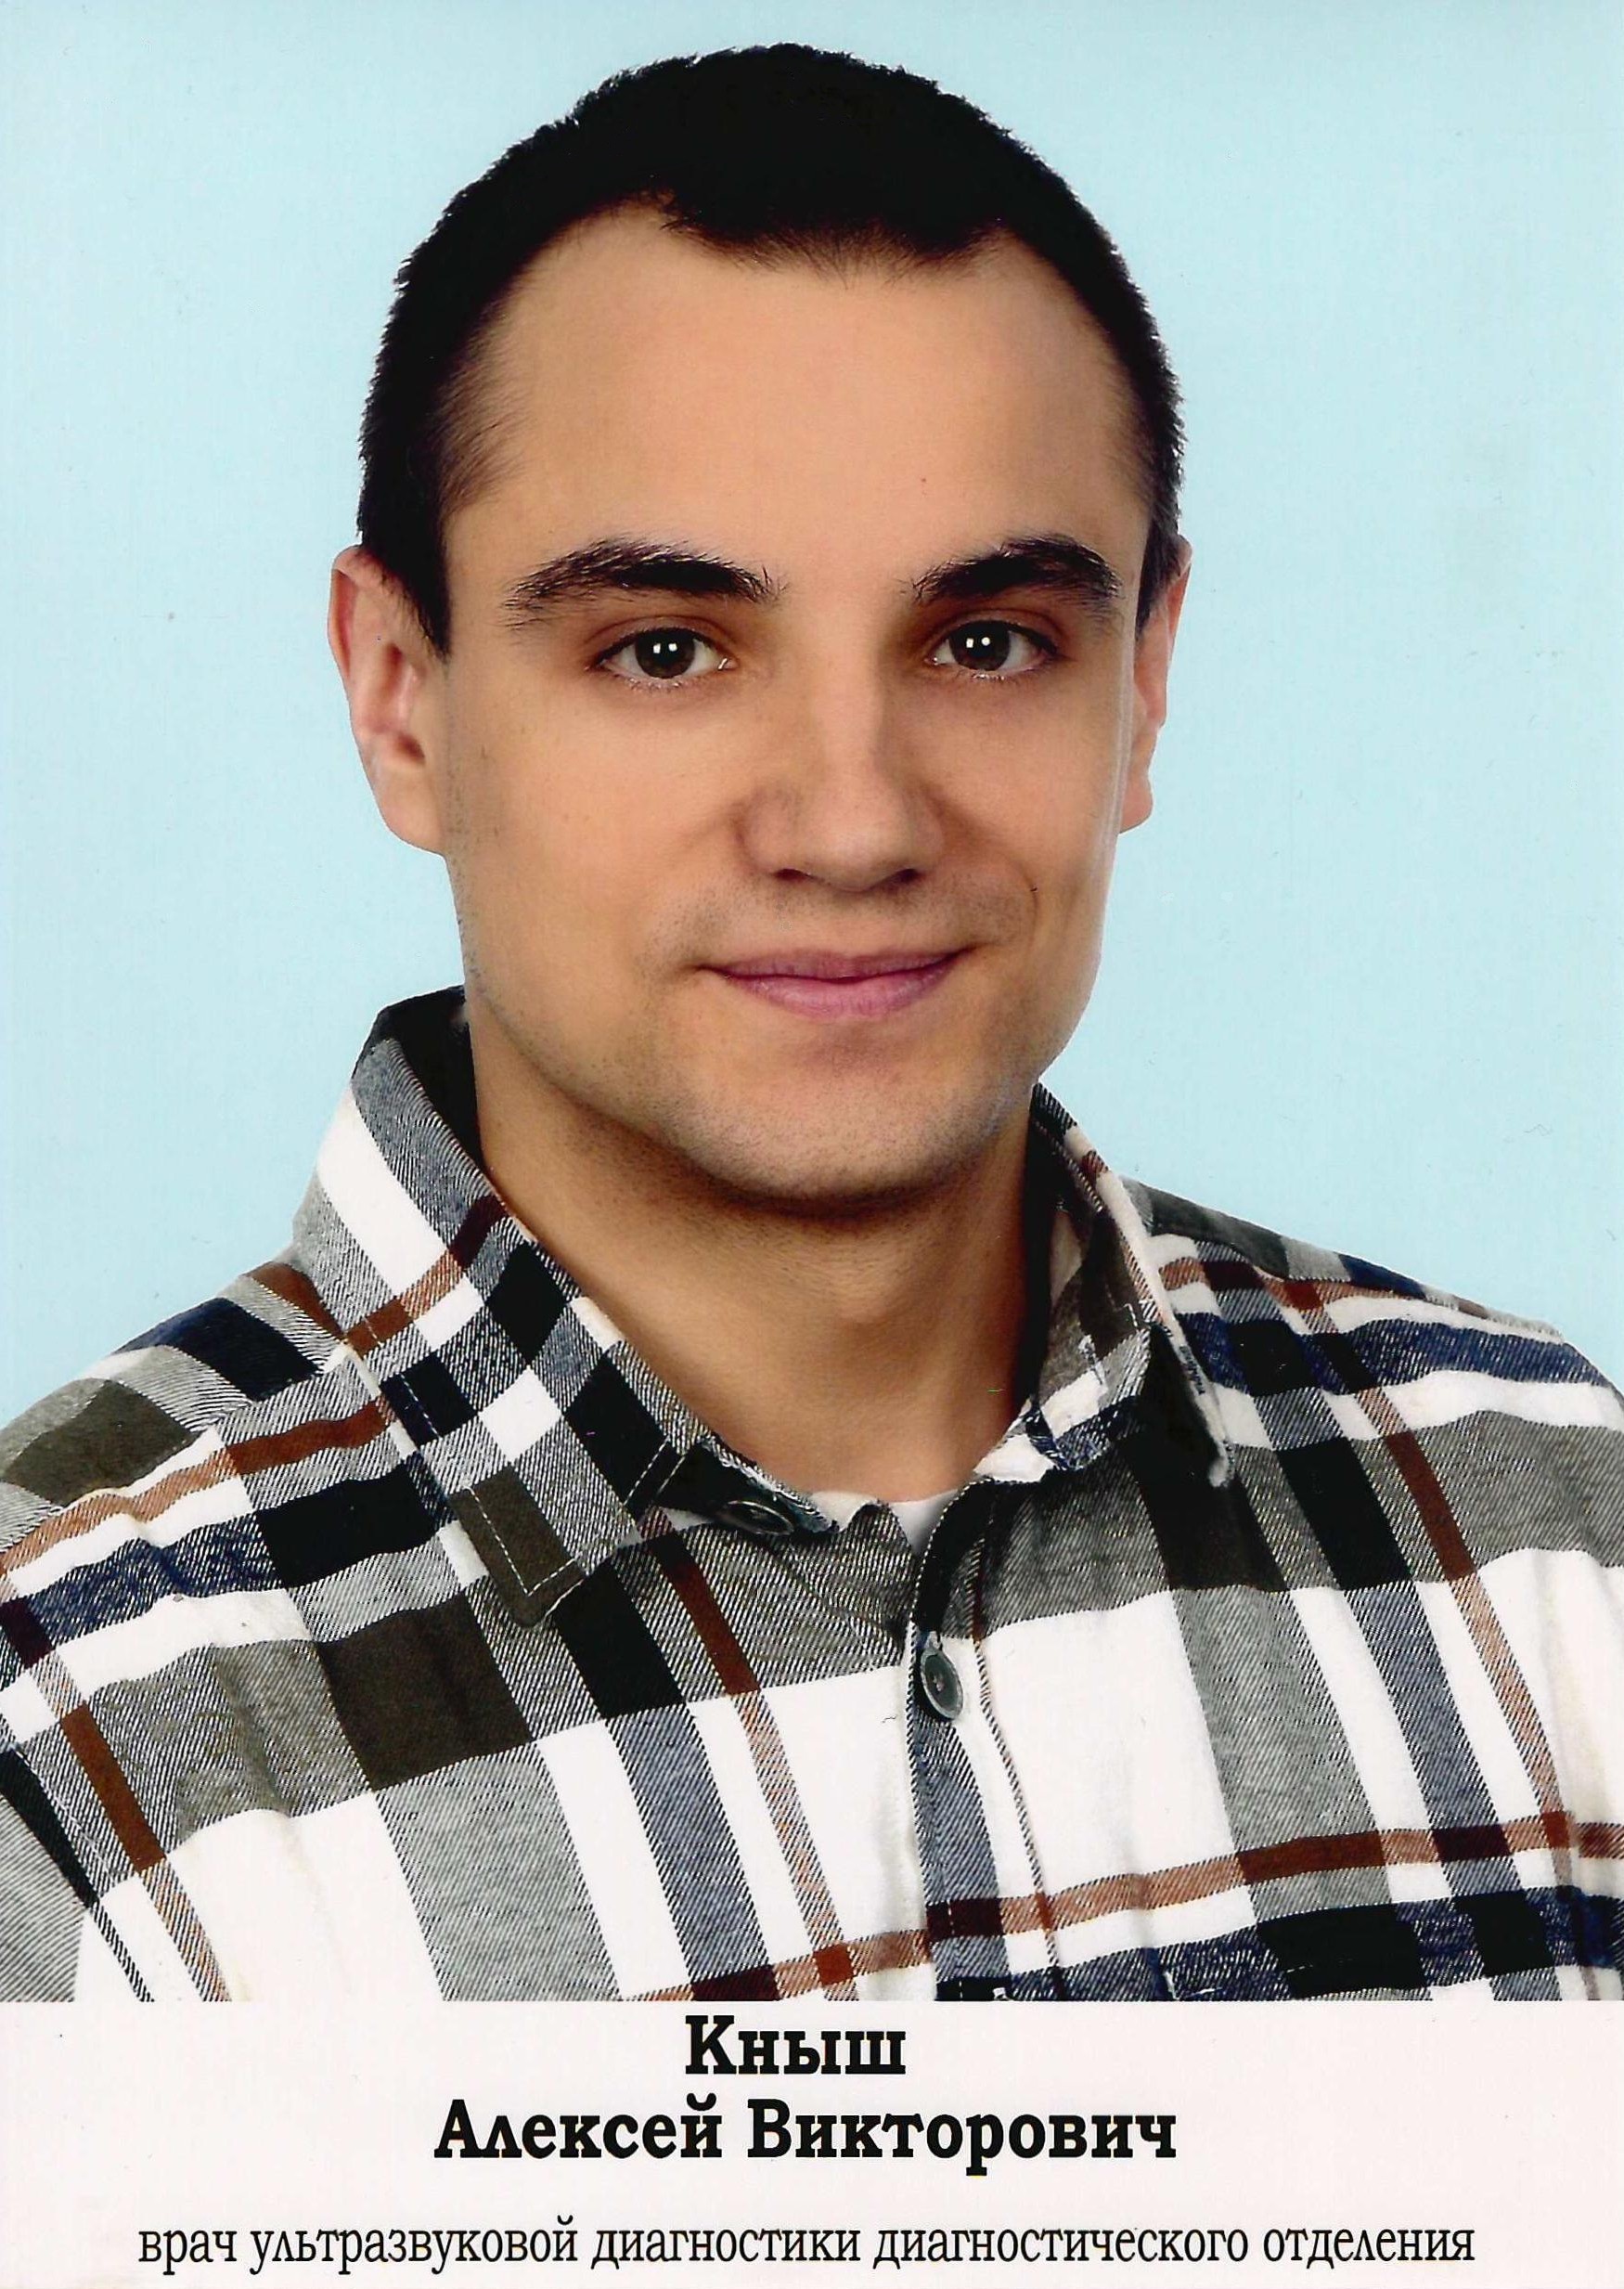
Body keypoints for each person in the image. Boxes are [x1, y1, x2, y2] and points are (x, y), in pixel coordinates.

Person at [1, 43, 1618, 2005]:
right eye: (667, 650)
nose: (851, 825)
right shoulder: (57, 1718)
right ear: (399, 699)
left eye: (985, 642)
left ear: (1143, 683)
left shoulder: (1553, 1527)